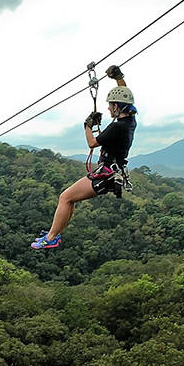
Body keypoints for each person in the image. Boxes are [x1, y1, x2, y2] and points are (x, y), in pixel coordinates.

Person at [31, 65, 137, 250]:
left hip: (105, 175)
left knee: (65, 197)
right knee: (69, 199)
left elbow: (92, 143)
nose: (109, 108)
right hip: (111, 173)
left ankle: (52, 237)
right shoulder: (129, 121)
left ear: (117, 106)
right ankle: (54, 233)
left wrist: (87, 125)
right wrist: (118, 78)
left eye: (111, 105)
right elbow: (125, 94)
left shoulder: (116, 127)